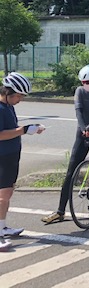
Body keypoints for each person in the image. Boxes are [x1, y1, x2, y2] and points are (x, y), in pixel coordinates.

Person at [42, 64, 89, 225]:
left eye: (88, 82)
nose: (85, 85)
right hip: (82, 132)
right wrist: (84, 129)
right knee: (71, 171)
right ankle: (60, 211)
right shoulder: (80, 91)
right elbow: (78, 112)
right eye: (83, 82)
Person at [0, 73, 44, 251]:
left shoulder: (8, 106)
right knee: (2, 197)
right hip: (2, 156)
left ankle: (2, 226)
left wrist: (28, 129)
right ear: (9, 92)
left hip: (11, 155)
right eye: (19, 96)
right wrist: (25, 130)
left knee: (7, 194)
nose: (20, 100)